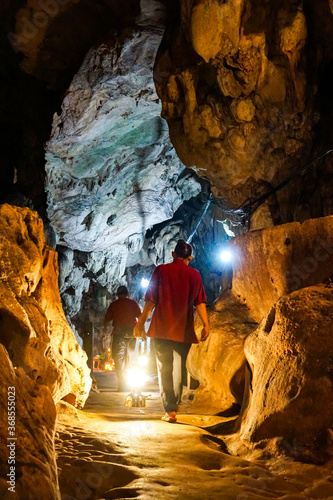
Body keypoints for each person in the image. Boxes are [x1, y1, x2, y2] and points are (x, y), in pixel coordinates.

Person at [134, 239, 209, 422]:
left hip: (162, 327)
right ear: (189, 258)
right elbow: (199, 301)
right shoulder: (194, 275)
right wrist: (206, 324)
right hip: (183, 329)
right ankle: (174, 404)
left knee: (164, 367)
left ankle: (170, 409)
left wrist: (141, 323)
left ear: (173, 254)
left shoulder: (161, 270)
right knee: (179, 367)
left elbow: (151, 300)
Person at [104, 285, 141, 391]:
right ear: (127, 294)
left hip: (118, 334)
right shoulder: (133, 303)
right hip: (131, 335)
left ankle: (122, 384)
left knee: (118, 359)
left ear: (117, 295)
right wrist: (141, 331)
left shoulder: (114, 305)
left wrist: (105, 329)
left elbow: (107, 319)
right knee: (129, 358)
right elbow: (140, 317)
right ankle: (129, 382)